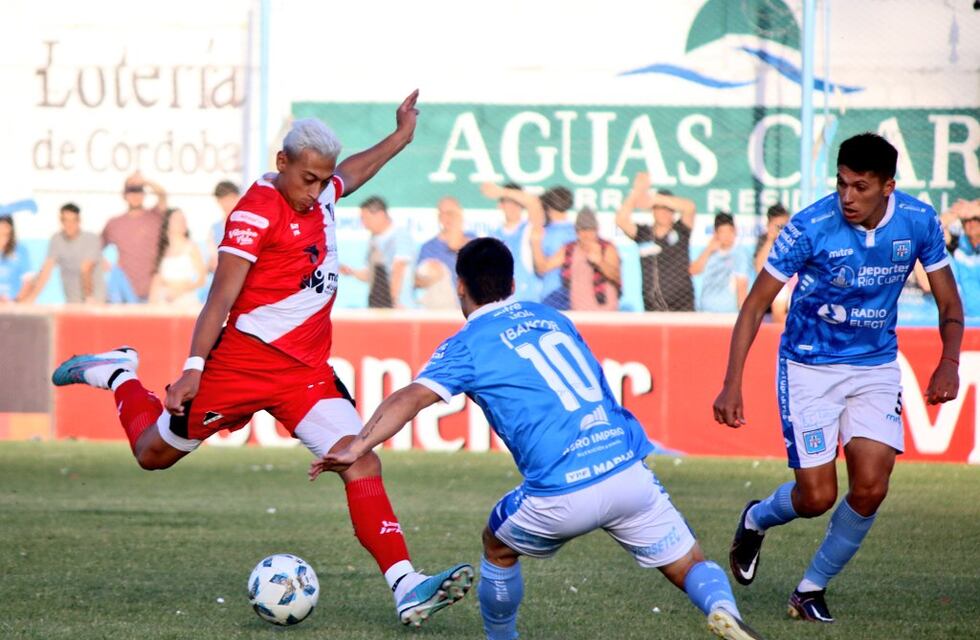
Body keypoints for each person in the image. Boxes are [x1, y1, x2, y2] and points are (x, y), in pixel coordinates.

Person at [51, 91, 473, 628]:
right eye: (309, 179)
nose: (319, 190)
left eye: (323, 181)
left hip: (306, 374)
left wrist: (399, 138)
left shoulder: (318, 193)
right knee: (152, 453)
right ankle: (116, 372)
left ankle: (407, 586)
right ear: (283, 164)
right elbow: (219, 299)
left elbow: (351, 174)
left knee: (360, 457)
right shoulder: (255, 212)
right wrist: (193, 369)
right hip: (239, 368)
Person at [310, 237, 766, 640]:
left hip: (563, 491)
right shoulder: (550, 316)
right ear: (511, 284)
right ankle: (723, 608)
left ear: (460, 286)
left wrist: (358, 443)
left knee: (497, 544)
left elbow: (410, 398)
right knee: (687, 563)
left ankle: (502, 637)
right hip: (627, 470)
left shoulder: (467, 343)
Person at [713, 133, 963, 623]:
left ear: (888, 186)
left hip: (875, 365)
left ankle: (809, 590)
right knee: (817, 497)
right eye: (842, 183)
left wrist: (949, 361)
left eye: (860, 187)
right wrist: (732, 382)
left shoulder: (918, 221)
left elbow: (950, 302)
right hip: (809, 365)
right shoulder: (810, 226)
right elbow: (755, 304)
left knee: (871, 487)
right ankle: (755, 518)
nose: (847, 197)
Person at [615, 172, 696, 311]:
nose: (664, 212)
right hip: (652, 306)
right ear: (652, 211)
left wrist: (657, 199)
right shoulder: (644, 233)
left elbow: (690, 207)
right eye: (660, 208)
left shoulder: (681, 231)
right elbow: (621, 220)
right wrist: (637, 192)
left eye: (668, 209)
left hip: (683, 306)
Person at [534, 207, 620, 311]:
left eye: (590, 230)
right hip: (578, 312)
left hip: (605, 312)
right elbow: (543, 268)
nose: (586, 235)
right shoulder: (570, 249)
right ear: (576, 232)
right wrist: (535, 244)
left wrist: (600, 262)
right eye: (582, 230)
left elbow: (616, 276)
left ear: (597, 230)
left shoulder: (607, 248)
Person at [102, 171, 168, 303]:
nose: (135, 195)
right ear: (124, 195)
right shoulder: (114, 223)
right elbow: (94, 248)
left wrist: (145, 181)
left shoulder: (155, 216)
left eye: (139, 190)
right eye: (131, 190)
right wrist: (106, 264)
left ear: (144, 194)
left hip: (152, 291)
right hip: (125, 293)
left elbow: (162, 195)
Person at [339, 196, 413, 308]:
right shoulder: (374, 240)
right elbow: (371, 275)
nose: (364, 224)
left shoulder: (400, 236)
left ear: (381, 215)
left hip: (398, 308)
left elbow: (399, 270)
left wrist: (392, 301)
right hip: (378, 305)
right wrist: (351, 272)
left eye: (366, 218)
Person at [24, 203, 105, 304]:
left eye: (73, 220)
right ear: (60, 221)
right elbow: (46, 269)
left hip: (95, 299)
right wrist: (32, 298)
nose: (69, 225)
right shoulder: (57, 239)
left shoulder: (91, 239)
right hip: (72, 301)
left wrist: (89, 299)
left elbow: (86, 270)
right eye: (65, 220)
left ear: (79, 221)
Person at [480, 182, 542, 302]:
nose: (513, 207)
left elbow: (534, 204)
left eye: (517, 203)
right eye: (509, 203)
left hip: (526, 303)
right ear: (501, 205)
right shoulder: (492, 236)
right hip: (500, 304)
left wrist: (502, 192)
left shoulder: (528, 229)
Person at [414, 196, 474, 309]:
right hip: (441, 310)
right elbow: (416, 282)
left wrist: (456, 226)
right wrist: (430, 279)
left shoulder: (473, 241)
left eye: (451, 213)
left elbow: (455, 245)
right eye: (442, 213)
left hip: (469, 310)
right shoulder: (428, 247)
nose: (447, 217)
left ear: (460, 215)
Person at [689, 212, 751, 313]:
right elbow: (693, 271)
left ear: (735, 231)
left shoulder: (740, 254)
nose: (727, 236)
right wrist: (709, 250)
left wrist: (743, 314)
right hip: (706, 311)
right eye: (723, 232)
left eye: (730, 231)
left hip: (730, 312)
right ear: (715, 233)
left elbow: (742, 286)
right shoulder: (707, 252)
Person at [149, 208, 207, 307]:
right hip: (163, 301)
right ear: (168, 224)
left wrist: (180, 291)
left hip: (185, 300)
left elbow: (201, 279)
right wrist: (152, 303)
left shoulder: (192, 247)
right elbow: (157, 280)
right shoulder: (163, 250)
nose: (182, 223)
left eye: (183, 219)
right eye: (177, 220)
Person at [530, 186, 576, 308]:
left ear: (547, 208)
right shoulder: (577, 231)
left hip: (554, 298)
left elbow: (542, 268)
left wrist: (535, 244)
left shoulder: (544, 233)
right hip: (575, 298)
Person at [945, 198, 980, 324]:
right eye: (966, 220)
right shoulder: (957, 245)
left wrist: (974, 209)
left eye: (975, 219)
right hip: (966, 319)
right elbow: (933, 230)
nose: (970, 223)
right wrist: (955, 214)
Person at [207, 181, 242, 273]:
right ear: (219, 201)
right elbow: (213, 260)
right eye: (224, 199)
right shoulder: (214, 229)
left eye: (231, 198)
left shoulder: (247, 225)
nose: (228, 203)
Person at [0, 215, 32, 302]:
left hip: (15, 307)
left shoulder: (21, 250)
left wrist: (15, 302)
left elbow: (28, 282)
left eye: (5, 227)